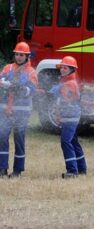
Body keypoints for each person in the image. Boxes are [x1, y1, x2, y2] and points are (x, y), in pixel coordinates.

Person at [0, 42, 38, 178]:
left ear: (27, 56)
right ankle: (2, 168)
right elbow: (1, 80)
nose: (19, 57)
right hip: (5, 111)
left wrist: (20, 88)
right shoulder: (8, 68)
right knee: (2, 137)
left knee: (19, 140)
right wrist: (4, 83)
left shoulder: (31, 72)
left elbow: (31, 90)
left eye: (21, 55)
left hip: (21, 112)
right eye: (17, 54)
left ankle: (17, 170)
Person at [49, 56, 87, 178]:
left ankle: (72, 171)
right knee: (73, 141)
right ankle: (82, 168)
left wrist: (55, 91)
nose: (62, 70)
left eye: (65, 68)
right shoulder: (65, 82)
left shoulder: (70, 84)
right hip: (68, 117)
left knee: (65, 141)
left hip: (71, 117)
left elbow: (65, 96)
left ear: (72, 70)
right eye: (61, 68)